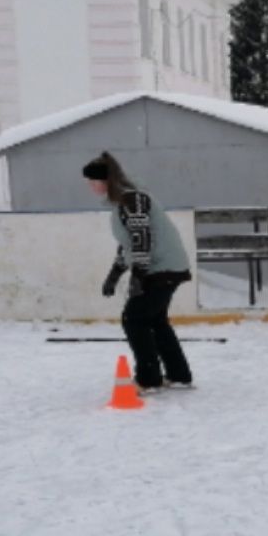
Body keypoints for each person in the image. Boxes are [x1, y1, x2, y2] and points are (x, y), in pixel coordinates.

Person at [83, 152, 194, 394]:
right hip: (165, 267)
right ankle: (178, 375)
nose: (90, 187)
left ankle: (148, 379)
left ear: (106, 181)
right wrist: (115, 274)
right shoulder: (125, 201)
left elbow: (143, 240)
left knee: (134, 319)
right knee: (155, 321)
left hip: (161, 268)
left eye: (93, 182)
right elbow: (130, 243)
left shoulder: (131, 200)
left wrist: (138, 277)